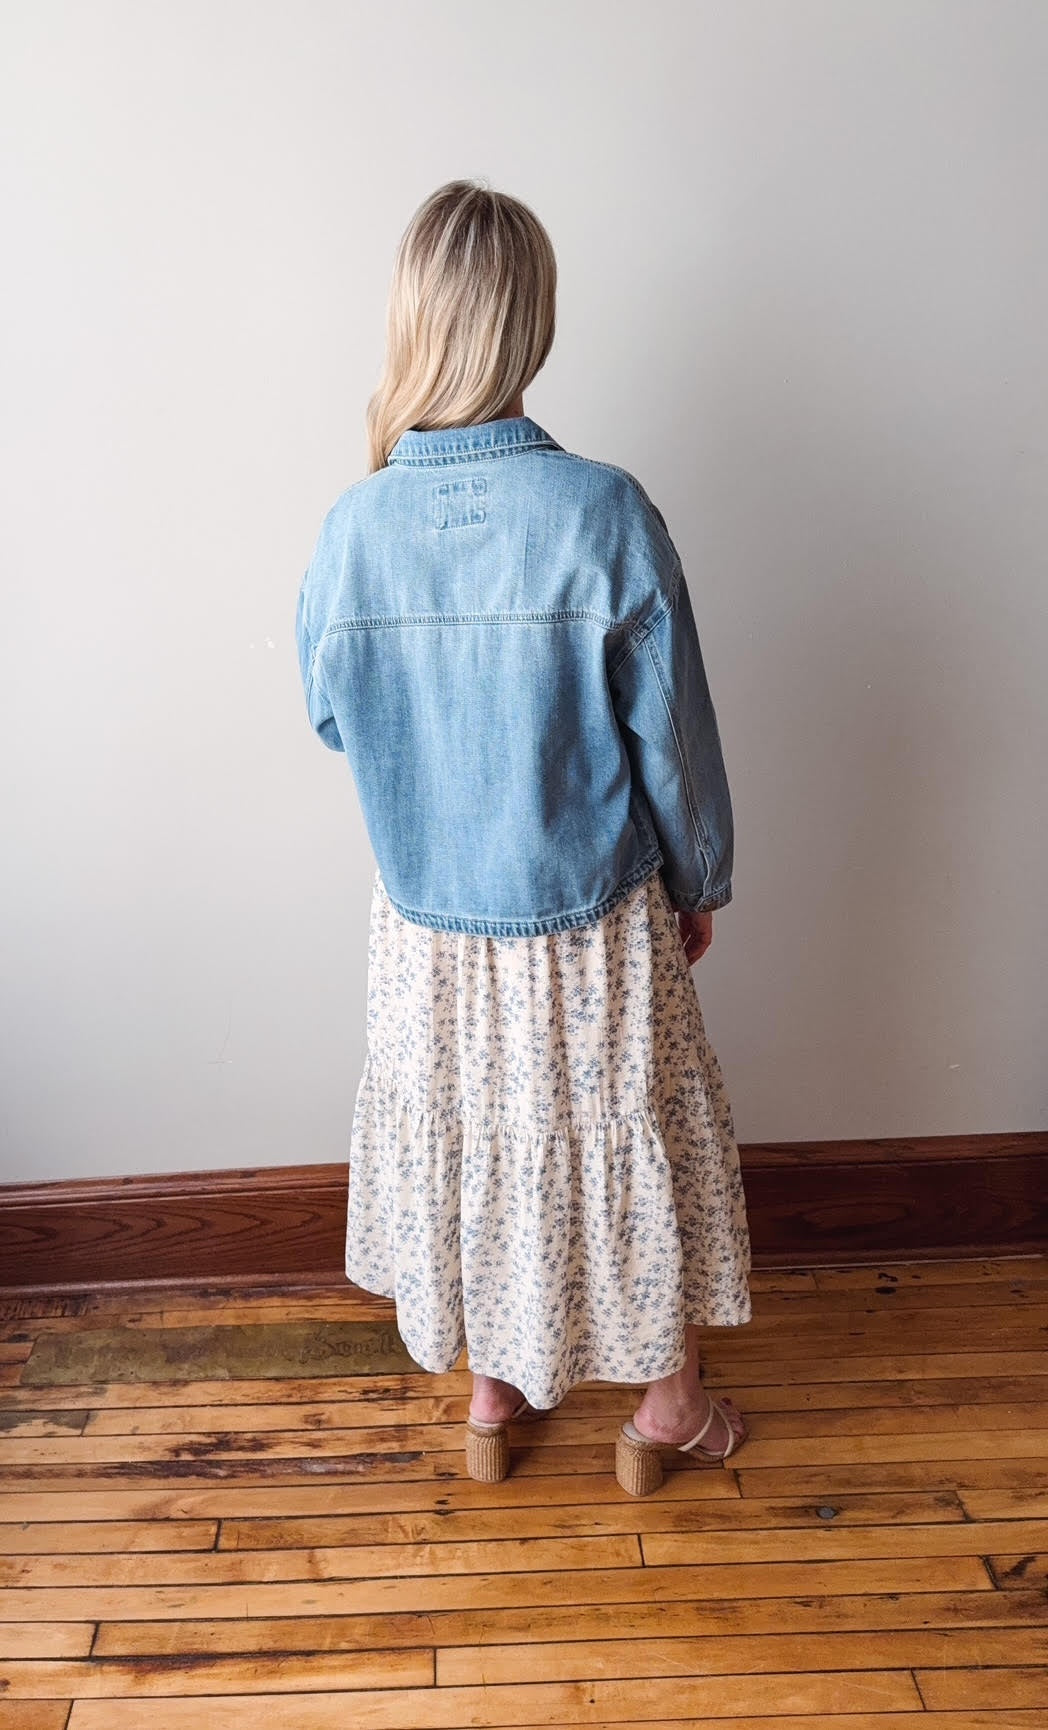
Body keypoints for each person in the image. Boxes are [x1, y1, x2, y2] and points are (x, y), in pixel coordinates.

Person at [295, 178, 752, 1496]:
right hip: (589, 915)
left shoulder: (352, 525)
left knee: (477, 1133)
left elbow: (329, 714)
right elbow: (676, 740)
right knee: (622, 1132)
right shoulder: (603, 513)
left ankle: (493, 1394)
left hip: (428, 928)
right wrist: (701, 874)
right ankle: (664, 1409)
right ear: (528, 323)